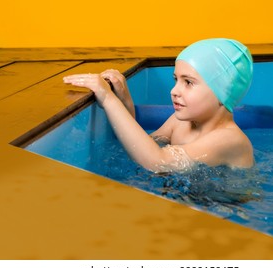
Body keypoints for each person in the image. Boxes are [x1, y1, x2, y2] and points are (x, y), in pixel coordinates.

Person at [63, 38, 254, 173]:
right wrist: (125, 100)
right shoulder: (180, 123)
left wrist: (108, 99)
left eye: (188, 82)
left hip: (227, 209)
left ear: (223, 93)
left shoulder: (230, 140)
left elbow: (158, 163)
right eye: (175, 80)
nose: (174, 91)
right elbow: (142, 147)